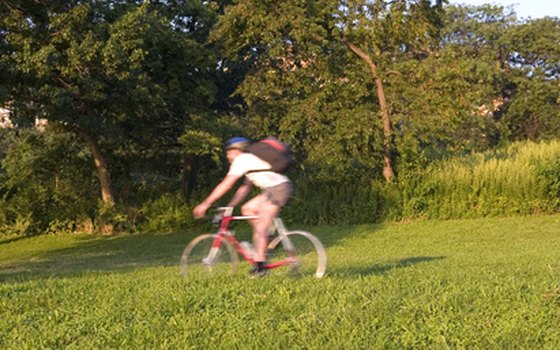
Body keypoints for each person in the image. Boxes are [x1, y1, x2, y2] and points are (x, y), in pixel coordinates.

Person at [193, 137, 293, 277]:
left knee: (260, 230)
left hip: (278, 190)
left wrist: (206, 203)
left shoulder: (242, 160)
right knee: (247, 209)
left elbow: (227, 184)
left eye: (229, 152)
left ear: (237, 150)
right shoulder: (251, 160)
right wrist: (230, 206)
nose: (228, 156)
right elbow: (244, 188)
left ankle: (260, 267)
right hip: (275, 189)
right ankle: (267, 241)